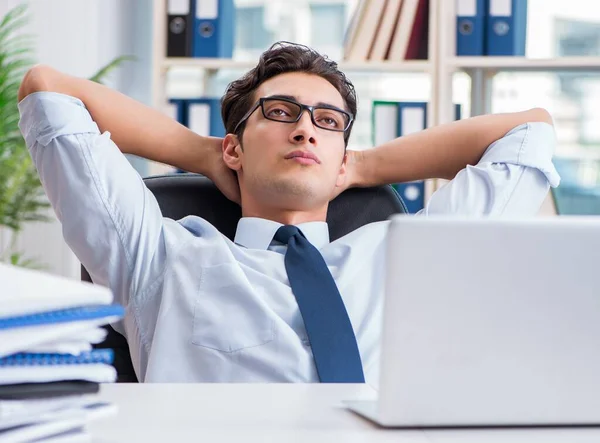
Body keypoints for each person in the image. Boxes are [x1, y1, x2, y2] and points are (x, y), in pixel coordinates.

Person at [17, 42, 560, 384]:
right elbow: (48, 90)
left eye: (327, 121)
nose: (304, 129)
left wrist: (362, 166)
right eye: (280, 114)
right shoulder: (158, 254)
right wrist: (204, 153)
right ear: (236, 147)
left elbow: (529, 131)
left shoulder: (408, 256)